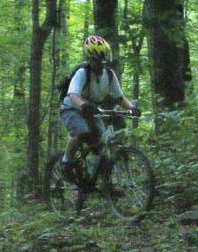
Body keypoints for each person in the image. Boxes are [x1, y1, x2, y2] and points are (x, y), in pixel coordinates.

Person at [59, 35, 139, 180]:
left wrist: (131, 108)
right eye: (97, 59)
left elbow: (119, 98)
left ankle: (99, 182)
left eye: (104, 59)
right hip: (72, 108)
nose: (101, 63)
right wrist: (83, 105)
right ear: (90, 59)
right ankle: (65, 161)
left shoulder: (109, 74)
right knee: (81, 132)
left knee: (101, 144)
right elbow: (73, 95)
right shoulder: (82, 72)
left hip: (92, 110)